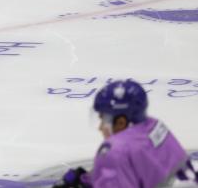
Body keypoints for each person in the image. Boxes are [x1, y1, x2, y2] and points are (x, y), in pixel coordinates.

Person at [53, 80, 197, 188]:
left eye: (103, 120)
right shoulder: (155, 127)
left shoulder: (115, 151)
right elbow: (143, 166)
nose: (101, 127)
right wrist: (87, 179)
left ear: (121, 122)